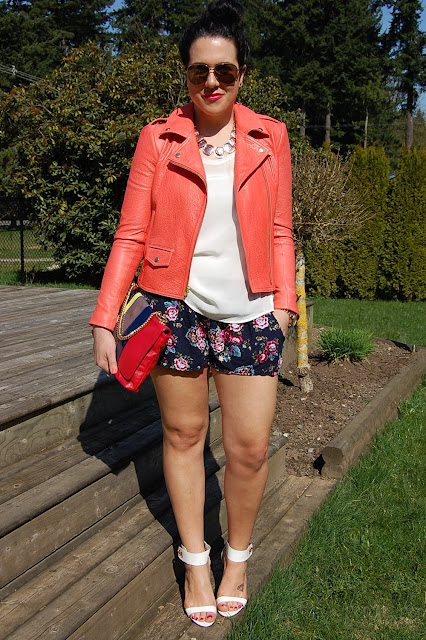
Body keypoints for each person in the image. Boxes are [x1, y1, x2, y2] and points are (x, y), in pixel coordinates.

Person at [90, 0, 298, 628]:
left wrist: (284, 308)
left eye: (225, 71)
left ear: (242, 75)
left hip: (251, 315)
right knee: (183, 438)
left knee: (249, 450)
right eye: (199, 70)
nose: (211, 82)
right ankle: (196, 561)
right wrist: (105, 317)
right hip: (173, 309)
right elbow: (130, 232)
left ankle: (238, 556)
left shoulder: (271, 137)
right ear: (185, 73)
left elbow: (283, 229)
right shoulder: (159, 138)